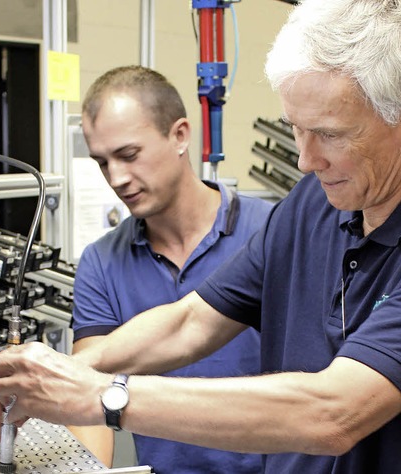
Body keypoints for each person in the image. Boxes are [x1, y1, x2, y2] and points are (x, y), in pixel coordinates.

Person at [0, 1, 401, 473]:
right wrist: (59, 372)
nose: (307, 160)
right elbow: (191, 322)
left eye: (330, 134)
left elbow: (333, 413)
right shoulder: (315, 202)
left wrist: (106, 396)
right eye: (295, 130)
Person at [68, 66, 271, 473]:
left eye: (128, 155)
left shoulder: (270, 233)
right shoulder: (101, 262)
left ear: (180, 135)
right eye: (102, 162)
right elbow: (87, 392)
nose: (117, 178)